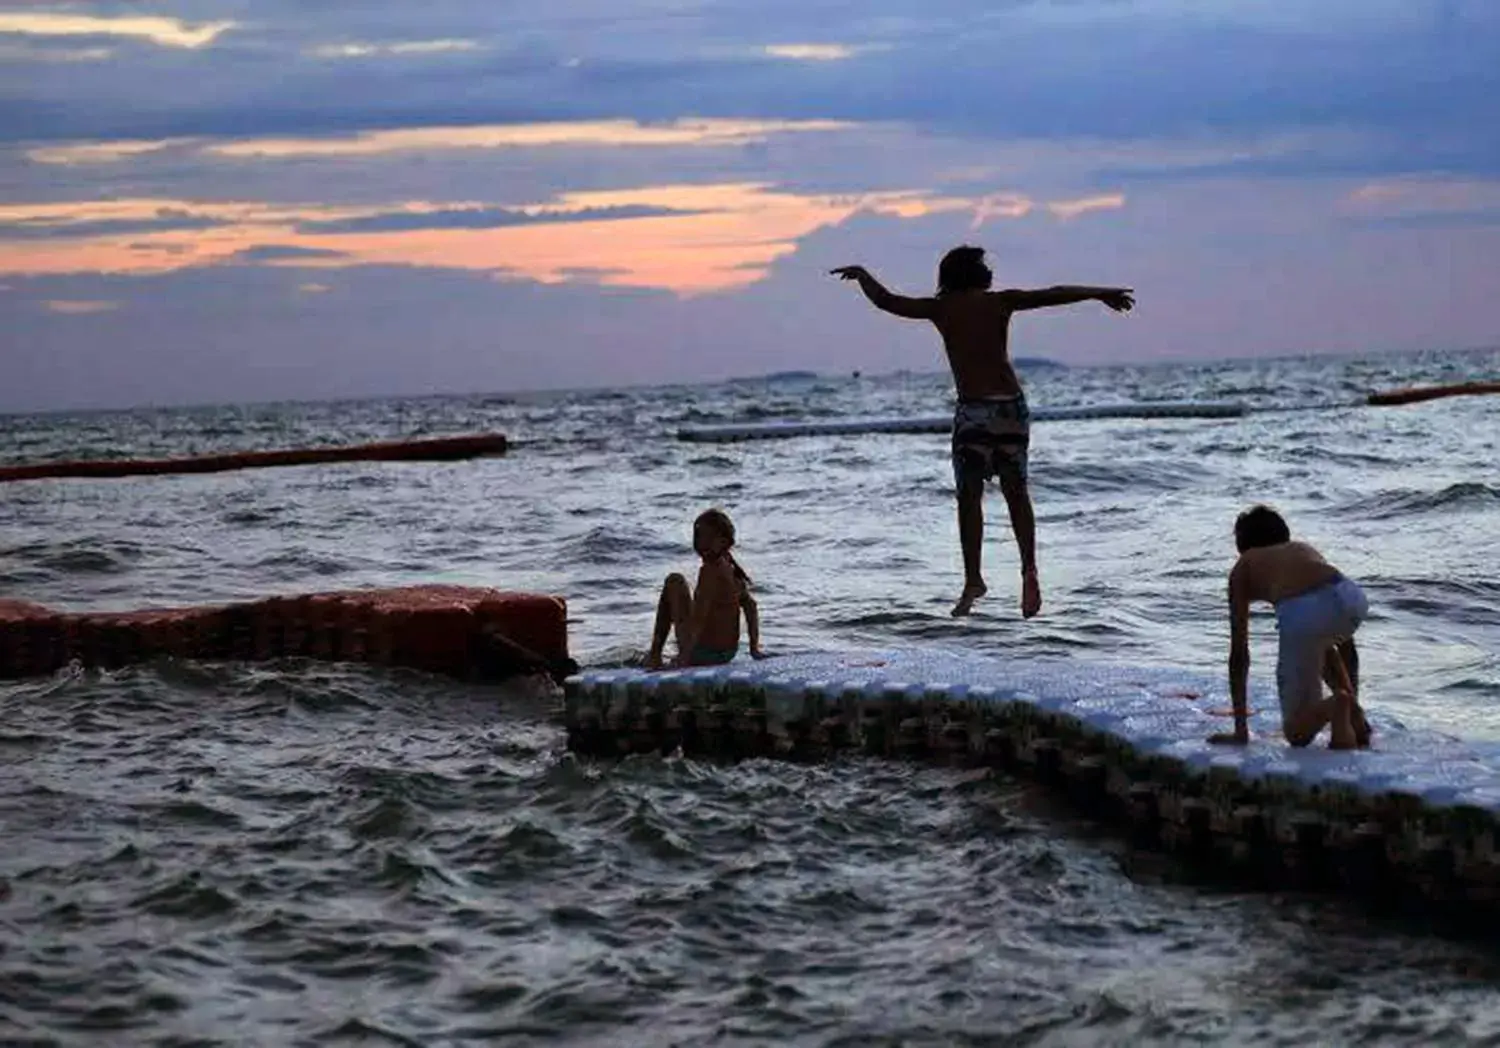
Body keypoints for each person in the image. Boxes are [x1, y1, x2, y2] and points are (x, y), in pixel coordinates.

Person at [831, 245, 1133, 618]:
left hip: (973, 411)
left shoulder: (941, 309)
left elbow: (887, 302)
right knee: (1016, 492)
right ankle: (1029, 568)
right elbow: (1053, 294)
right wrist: (1099, 293)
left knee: (969, 497)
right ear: (975, 274)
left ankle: (974, 579)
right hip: (1010, 408)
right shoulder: (1000, 302)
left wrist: (862, 274)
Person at [1209, 504, 1371, 750]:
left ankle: (1338, 705)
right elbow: (1344, 644)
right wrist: (1355, 704)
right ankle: (1354, 718)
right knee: (1320, 642)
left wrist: (1240, 730)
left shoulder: (1245, 566)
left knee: (1297, 734)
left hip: (1305, 613)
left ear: (1243, 547)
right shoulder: (1304, 550)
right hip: (1351, 596)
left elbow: (1239, 654)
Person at [645, 508, 766, 669]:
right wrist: (754, 648)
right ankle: (657, 655)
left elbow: (698, 621)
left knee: (674, 581)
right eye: (697, 537)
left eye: (706, 538)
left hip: (704, 654)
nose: (700, 543)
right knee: (679, 585)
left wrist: (684, 658)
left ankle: (655, 655)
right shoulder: (731, 569)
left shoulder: (710, 572)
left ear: (723, 542)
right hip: (728, 653)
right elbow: (751, 606)